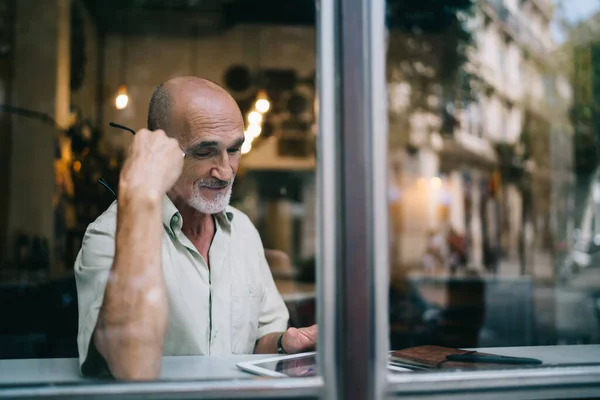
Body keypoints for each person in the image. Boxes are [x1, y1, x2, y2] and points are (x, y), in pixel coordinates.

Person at [74, 77, 317, 380]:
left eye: (234, 149)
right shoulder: (108, 235)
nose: (226, 171)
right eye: (205, 152)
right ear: (159, 149)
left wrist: (283, 343)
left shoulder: (242, 230)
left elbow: (257, 342)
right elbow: (131, 365)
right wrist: (139, 197)